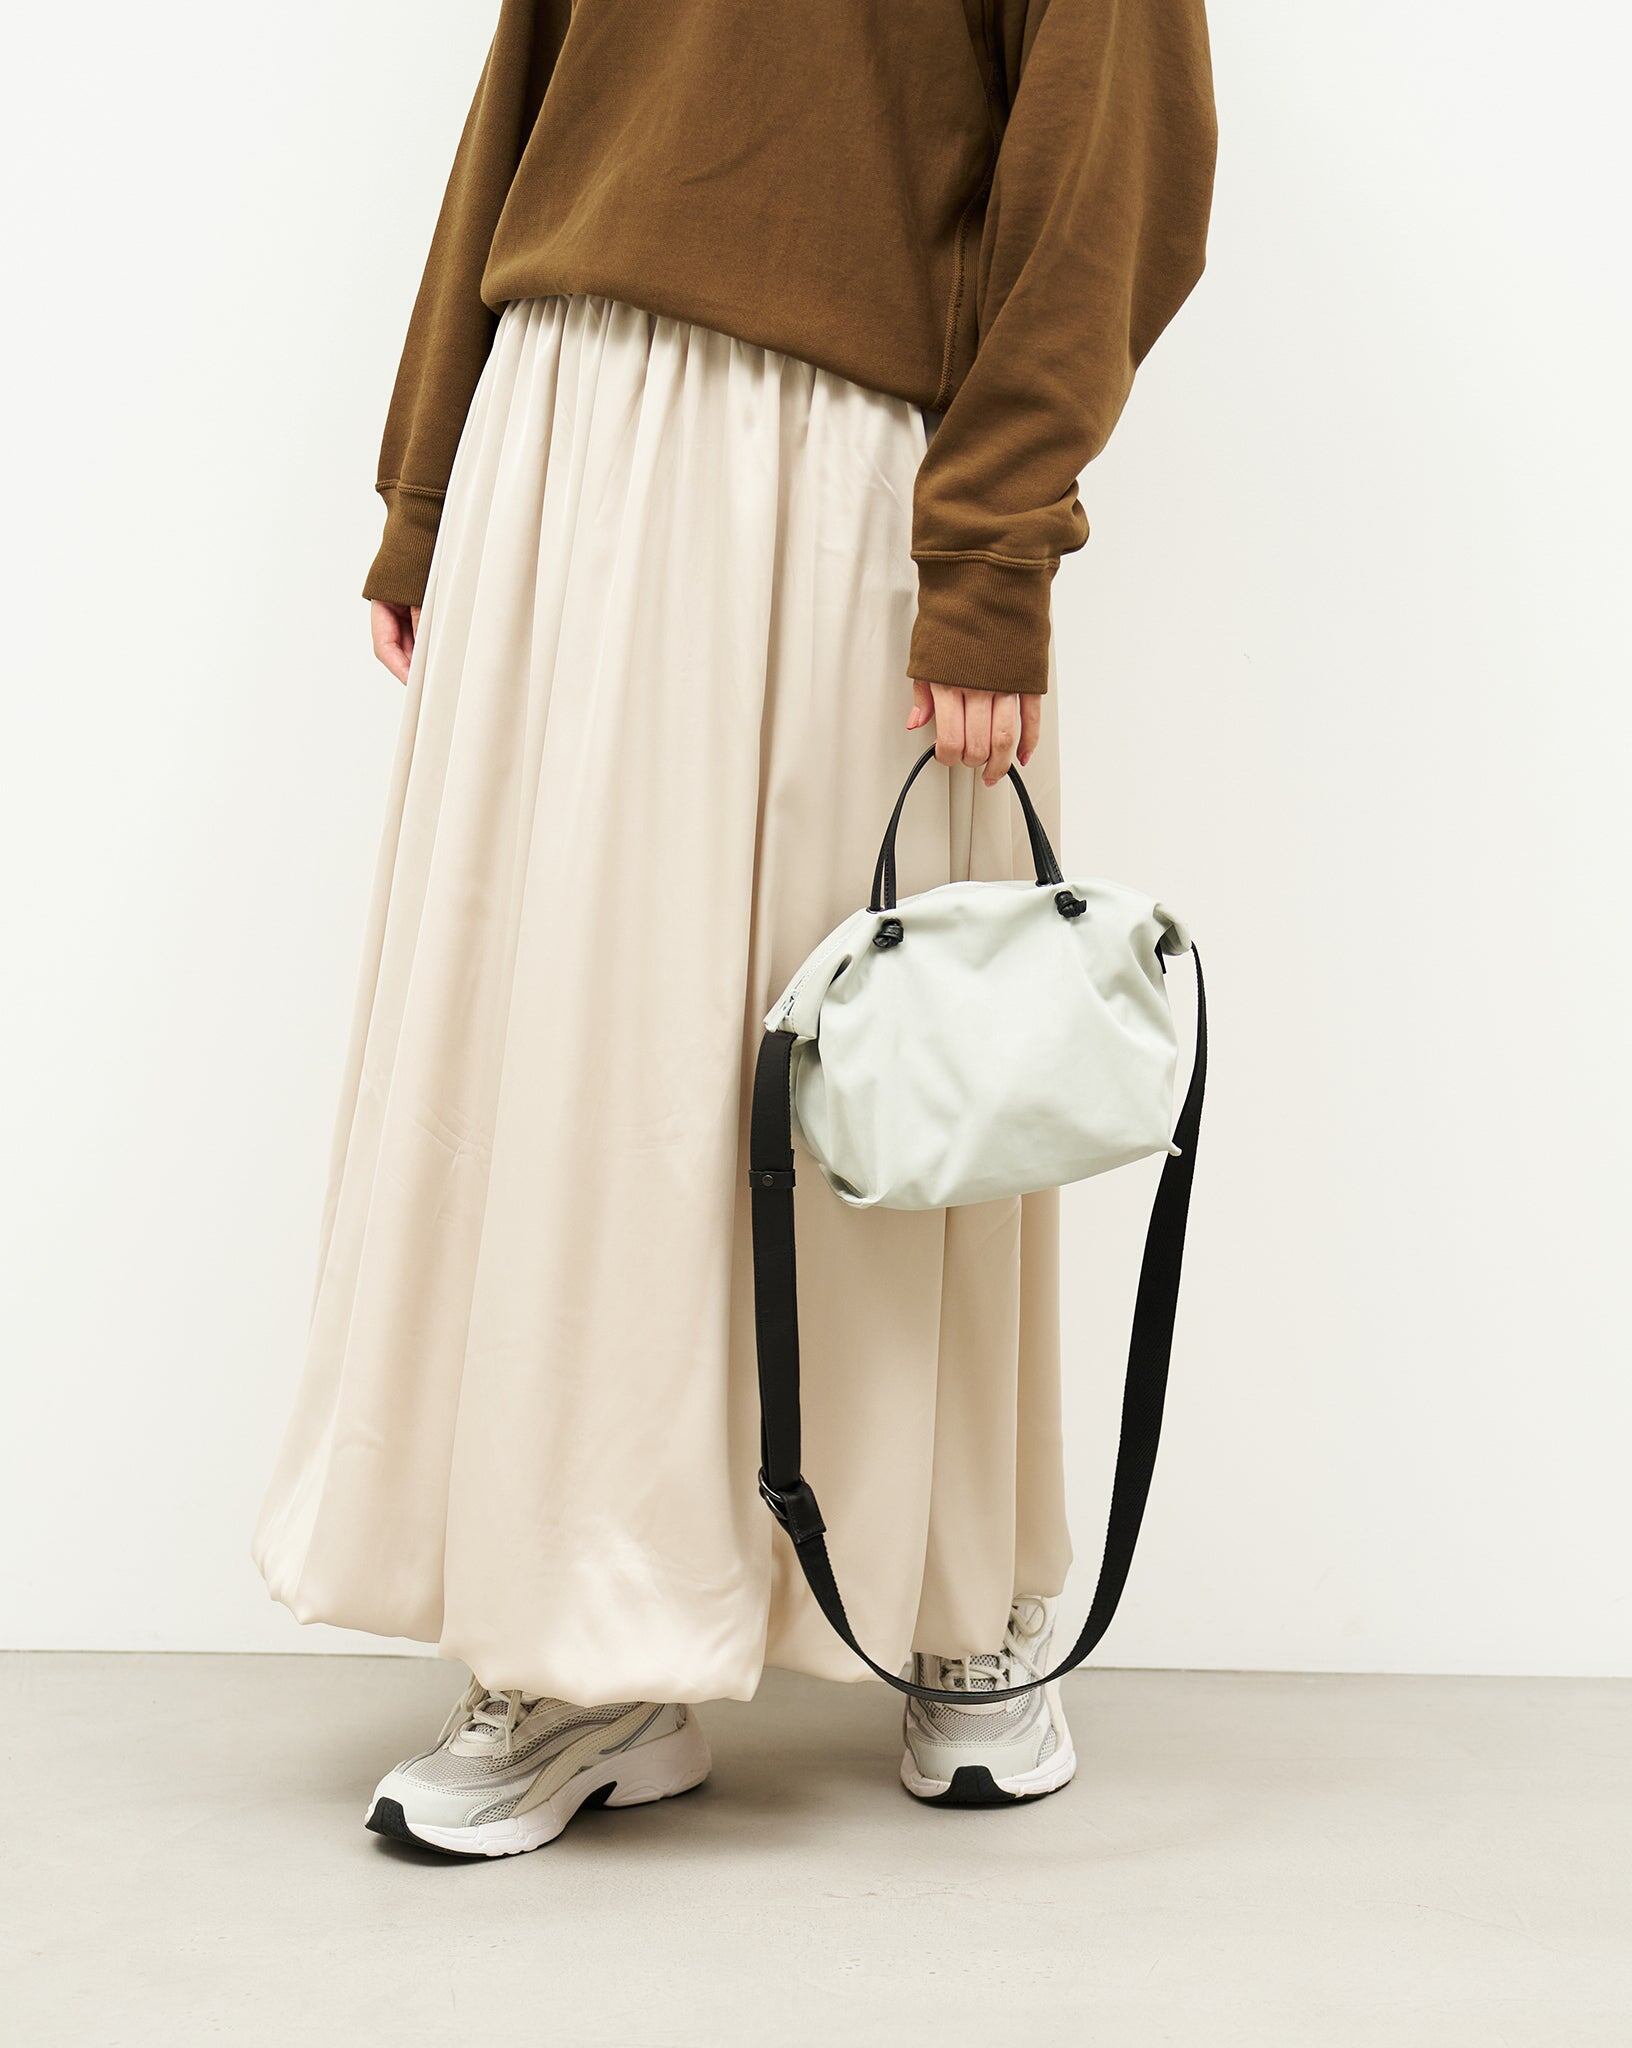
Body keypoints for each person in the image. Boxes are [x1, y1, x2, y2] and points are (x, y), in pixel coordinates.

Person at [254, 0, 1216, 1856]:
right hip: (566, 425)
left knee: (893, 1064)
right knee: (585, 1062)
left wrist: (993, 543)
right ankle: (590, 1645)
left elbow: (1118, 164)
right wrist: (431, 483)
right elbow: (531, 91)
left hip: (842, 466)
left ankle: (953, 1600)